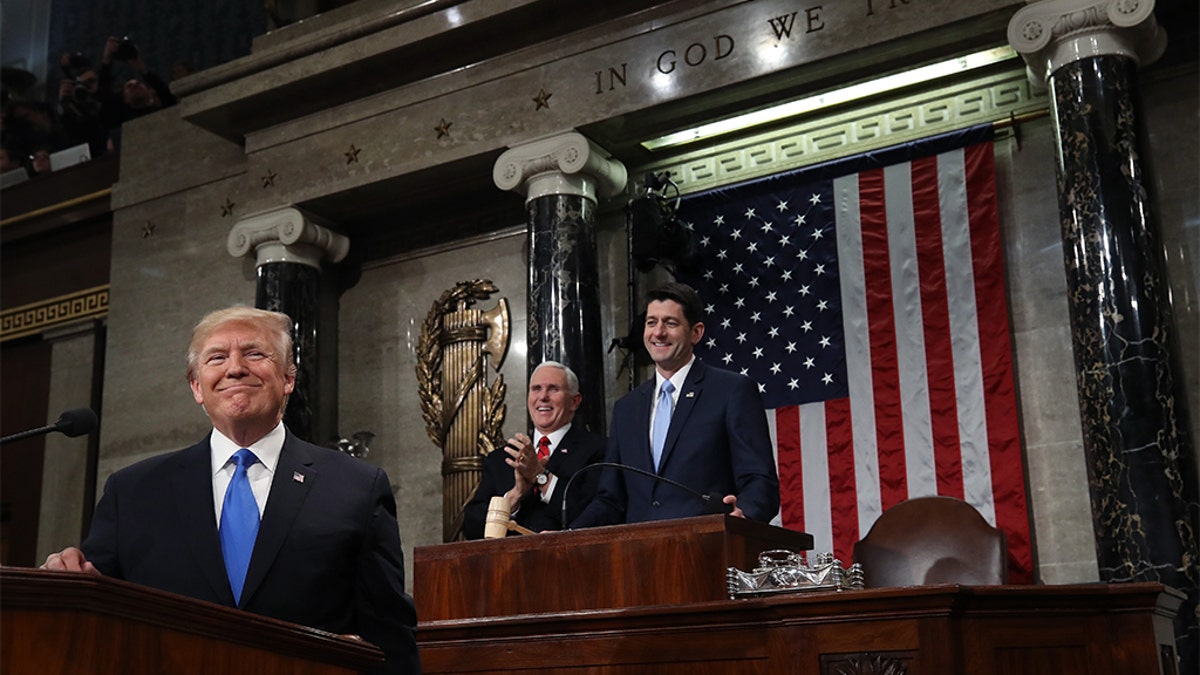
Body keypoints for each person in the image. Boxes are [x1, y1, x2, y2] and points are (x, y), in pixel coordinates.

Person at [41, 306, 420, 675]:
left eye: (255, 354)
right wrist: (68, 579)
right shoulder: (134, 492)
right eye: (217, 357)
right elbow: (96, 613)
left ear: (288, 378)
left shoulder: (355, 487)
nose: (235, 368)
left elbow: (389, 635)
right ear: (196, 387)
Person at [571, 282, 779, 528]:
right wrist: (564, 535)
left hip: (709, 546)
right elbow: (611, 499)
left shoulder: (731, 391)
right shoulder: (626, 408)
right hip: (639, 556)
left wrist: (744, 515)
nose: (658, 333)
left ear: (696, 333)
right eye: (651, 322)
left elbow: (760, 480)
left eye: (670, 323)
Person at [462, 361, 606, 539]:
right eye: (536, 389)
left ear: (574, 402)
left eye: (553, 389)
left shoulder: (598, 449)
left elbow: (599, 515)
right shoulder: (501, 459)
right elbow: (471, 527)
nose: (543, 396)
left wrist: (542, 478)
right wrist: (515, 495)